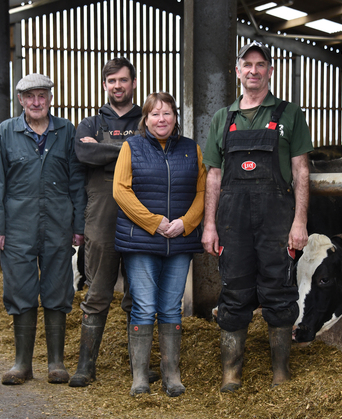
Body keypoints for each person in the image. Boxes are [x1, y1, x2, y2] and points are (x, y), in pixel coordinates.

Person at [201, 40, 313, 391]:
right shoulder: (223, 118)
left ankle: (281, 372)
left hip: (277, 219)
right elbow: (214, 176)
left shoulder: (289, 114)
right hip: (233, 221)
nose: (253, 70)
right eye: (246, 64)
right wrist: (209, 224)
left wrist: (300, 221)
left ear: (270, 70)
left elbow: (301, 171)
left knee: (279, 289)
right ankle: (231, 374)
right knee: (234, 290)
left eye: (260, 64)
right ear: (238, 71)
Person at [0, 73, 87, 385]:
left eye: (42, 95)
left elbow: (77, 180)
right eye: (30, 97)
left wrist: (79, 224)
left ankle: (56, 362)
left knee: (58, 288)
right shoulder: (6, 131)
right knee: (20, 290)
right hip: (17, 224)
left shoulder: (66, 130)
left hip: (58, 221)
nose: (36, 102)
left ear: (50, 98)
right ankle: (21, 364)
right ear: (21, 100)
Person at [70, 57, 161, 387]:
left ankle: (139, 367)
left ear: (134, 83)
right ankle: (85, 366)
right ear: (105, 85)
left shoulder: (148, 118)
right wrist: (131, 148)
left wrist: (106, 148)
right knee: (97, 292)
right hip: (102, 218)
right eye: (112, 81)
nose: (118, 86)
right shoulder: (90, 123)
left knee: (138, 296)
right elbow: (84, 155)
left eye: (123, 80)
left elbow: (155, 148)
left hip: (140, 215)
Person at [113, 92, 206, 397]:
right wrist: (155, 222)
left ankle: (172, 375)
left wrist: (186, 223)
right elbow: (121, 191)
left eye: (167, 113)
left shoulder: (192, 149)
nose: (161, 119)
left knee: (170, 308)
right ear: (146, 119)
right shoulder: (131, 147)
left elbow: (203, 192)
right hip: (142, 241)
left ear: (176, 117)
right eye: (155, 114)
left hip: (179, 241)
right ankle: (139, 376)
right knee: (144, 307)